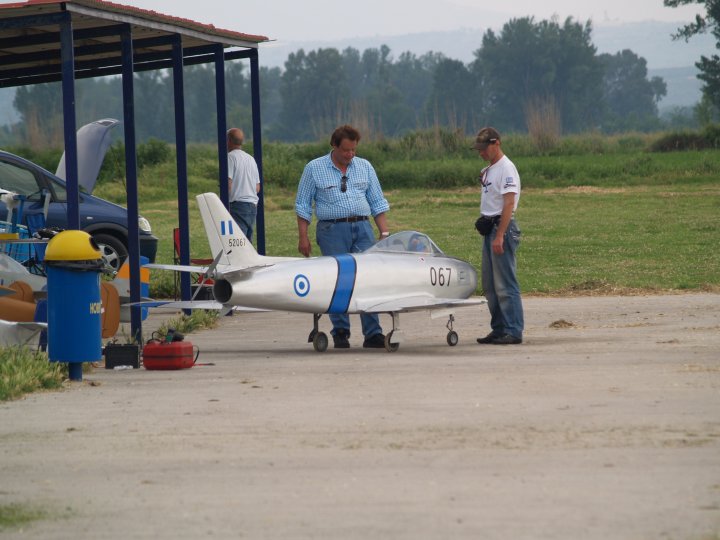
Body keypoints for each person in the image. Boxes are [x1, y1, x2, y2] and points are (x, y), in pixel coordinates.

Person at [295, 124, 390, 349]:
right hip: (331, 230)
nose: (350, 155)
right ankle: (340, 331)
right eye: (346, 150)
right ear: (334, 146)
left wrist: (384, 232)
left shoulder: (365, 166)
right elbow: (303, 204)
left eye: (353, 150)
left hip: (362, 227)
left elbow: (377, 201)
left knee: (369, 278)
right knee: (338, 279)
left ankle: (373, 333)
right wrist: (303, 237)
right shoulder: (314, 168)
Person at [473, 127, 524, 345]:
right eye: (479, 149)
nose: (481, 153)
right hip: (490, 229)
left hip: (501, 229)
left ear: (496, 143)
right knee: (491, 286)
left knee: (505, 284)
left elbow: (509, 203)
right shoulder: (490, 169)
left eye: (485, 148)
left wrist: (500, 235)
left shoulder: (507, 168)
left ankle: (513, 330)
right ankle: (499, 328)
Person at [227, 128, 261, 242]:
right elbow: (257, 187)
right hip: (252, 206)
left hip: (237, 206)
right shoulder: (251, 159)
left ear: (229, 140)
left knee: (236, 244)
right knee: (247, 244)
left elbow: (228, 184)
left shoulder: (230, 157)